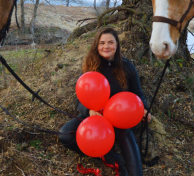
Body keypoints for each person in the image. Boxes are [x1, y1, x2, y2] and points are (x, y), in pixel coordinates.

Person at [59, 27, 151, 176]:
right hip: (96, 117)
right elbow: (80, 100)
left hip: (120, 118)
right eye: (102, 43)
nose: (106, 46)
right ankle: (111, 157)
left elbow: (138, 93)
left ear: (117, 45)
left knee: (134, 167)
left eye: (110, 42)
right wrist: (89, 111)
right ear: (97, 46)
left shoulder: (127, 66)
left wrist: (145, 109)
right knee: (65, 135)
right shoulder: (90, 67)